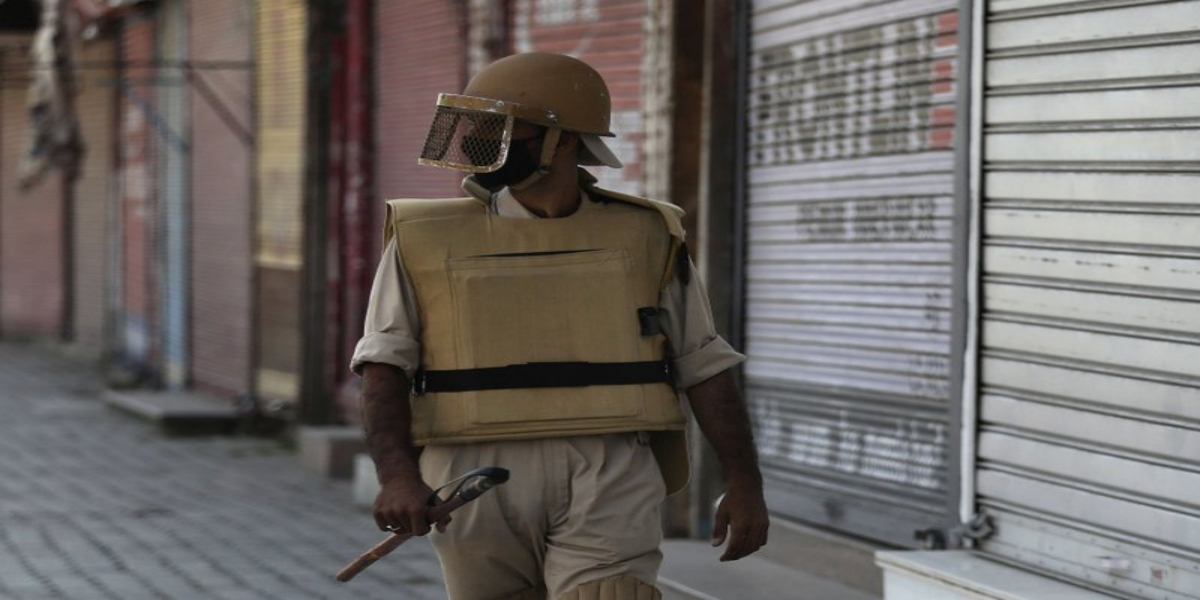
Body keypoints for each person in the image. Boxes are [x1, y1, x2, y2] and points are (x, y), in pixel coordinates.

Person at [352, 52, 768, 600]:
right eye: (478, 124)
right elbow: (385, 361)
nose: (480, 139)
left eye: (500, 126)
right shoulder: (423, 238)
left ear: (564, 140)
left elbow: (704, 363)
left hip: (611, 461)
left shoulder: (647, 235)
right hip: (473, 468)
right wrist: (396, 474)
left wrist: (745, 482)